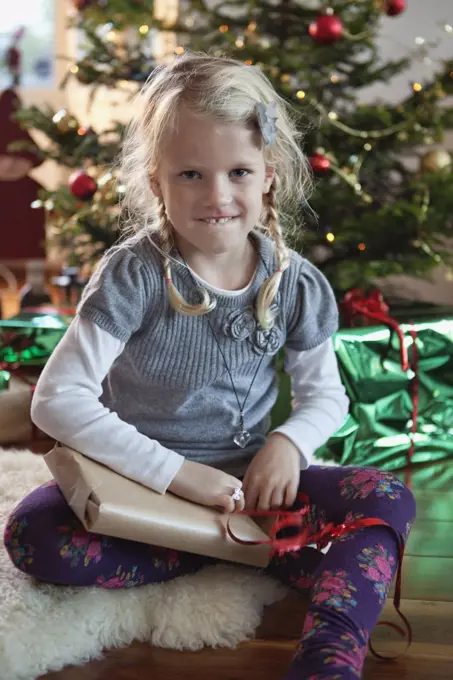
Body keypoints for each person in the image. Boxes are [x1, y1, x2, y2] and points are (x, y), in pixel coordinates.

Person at [4, 53, 415, 679]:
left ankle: (327, 659)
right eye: (191, 173)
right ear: (157, 178)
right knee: (34, 535)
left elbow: (327, 397)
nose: (217, 196)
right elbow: (58, 401)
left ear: (268, 176)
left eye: (239, 171)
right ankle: (233, 553)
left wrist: (286, 444)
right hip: (140, 484)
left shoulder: (296, 283)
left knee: (387, 500)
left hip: (250, 489)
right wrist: (178, 477)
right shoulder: (133, 274)